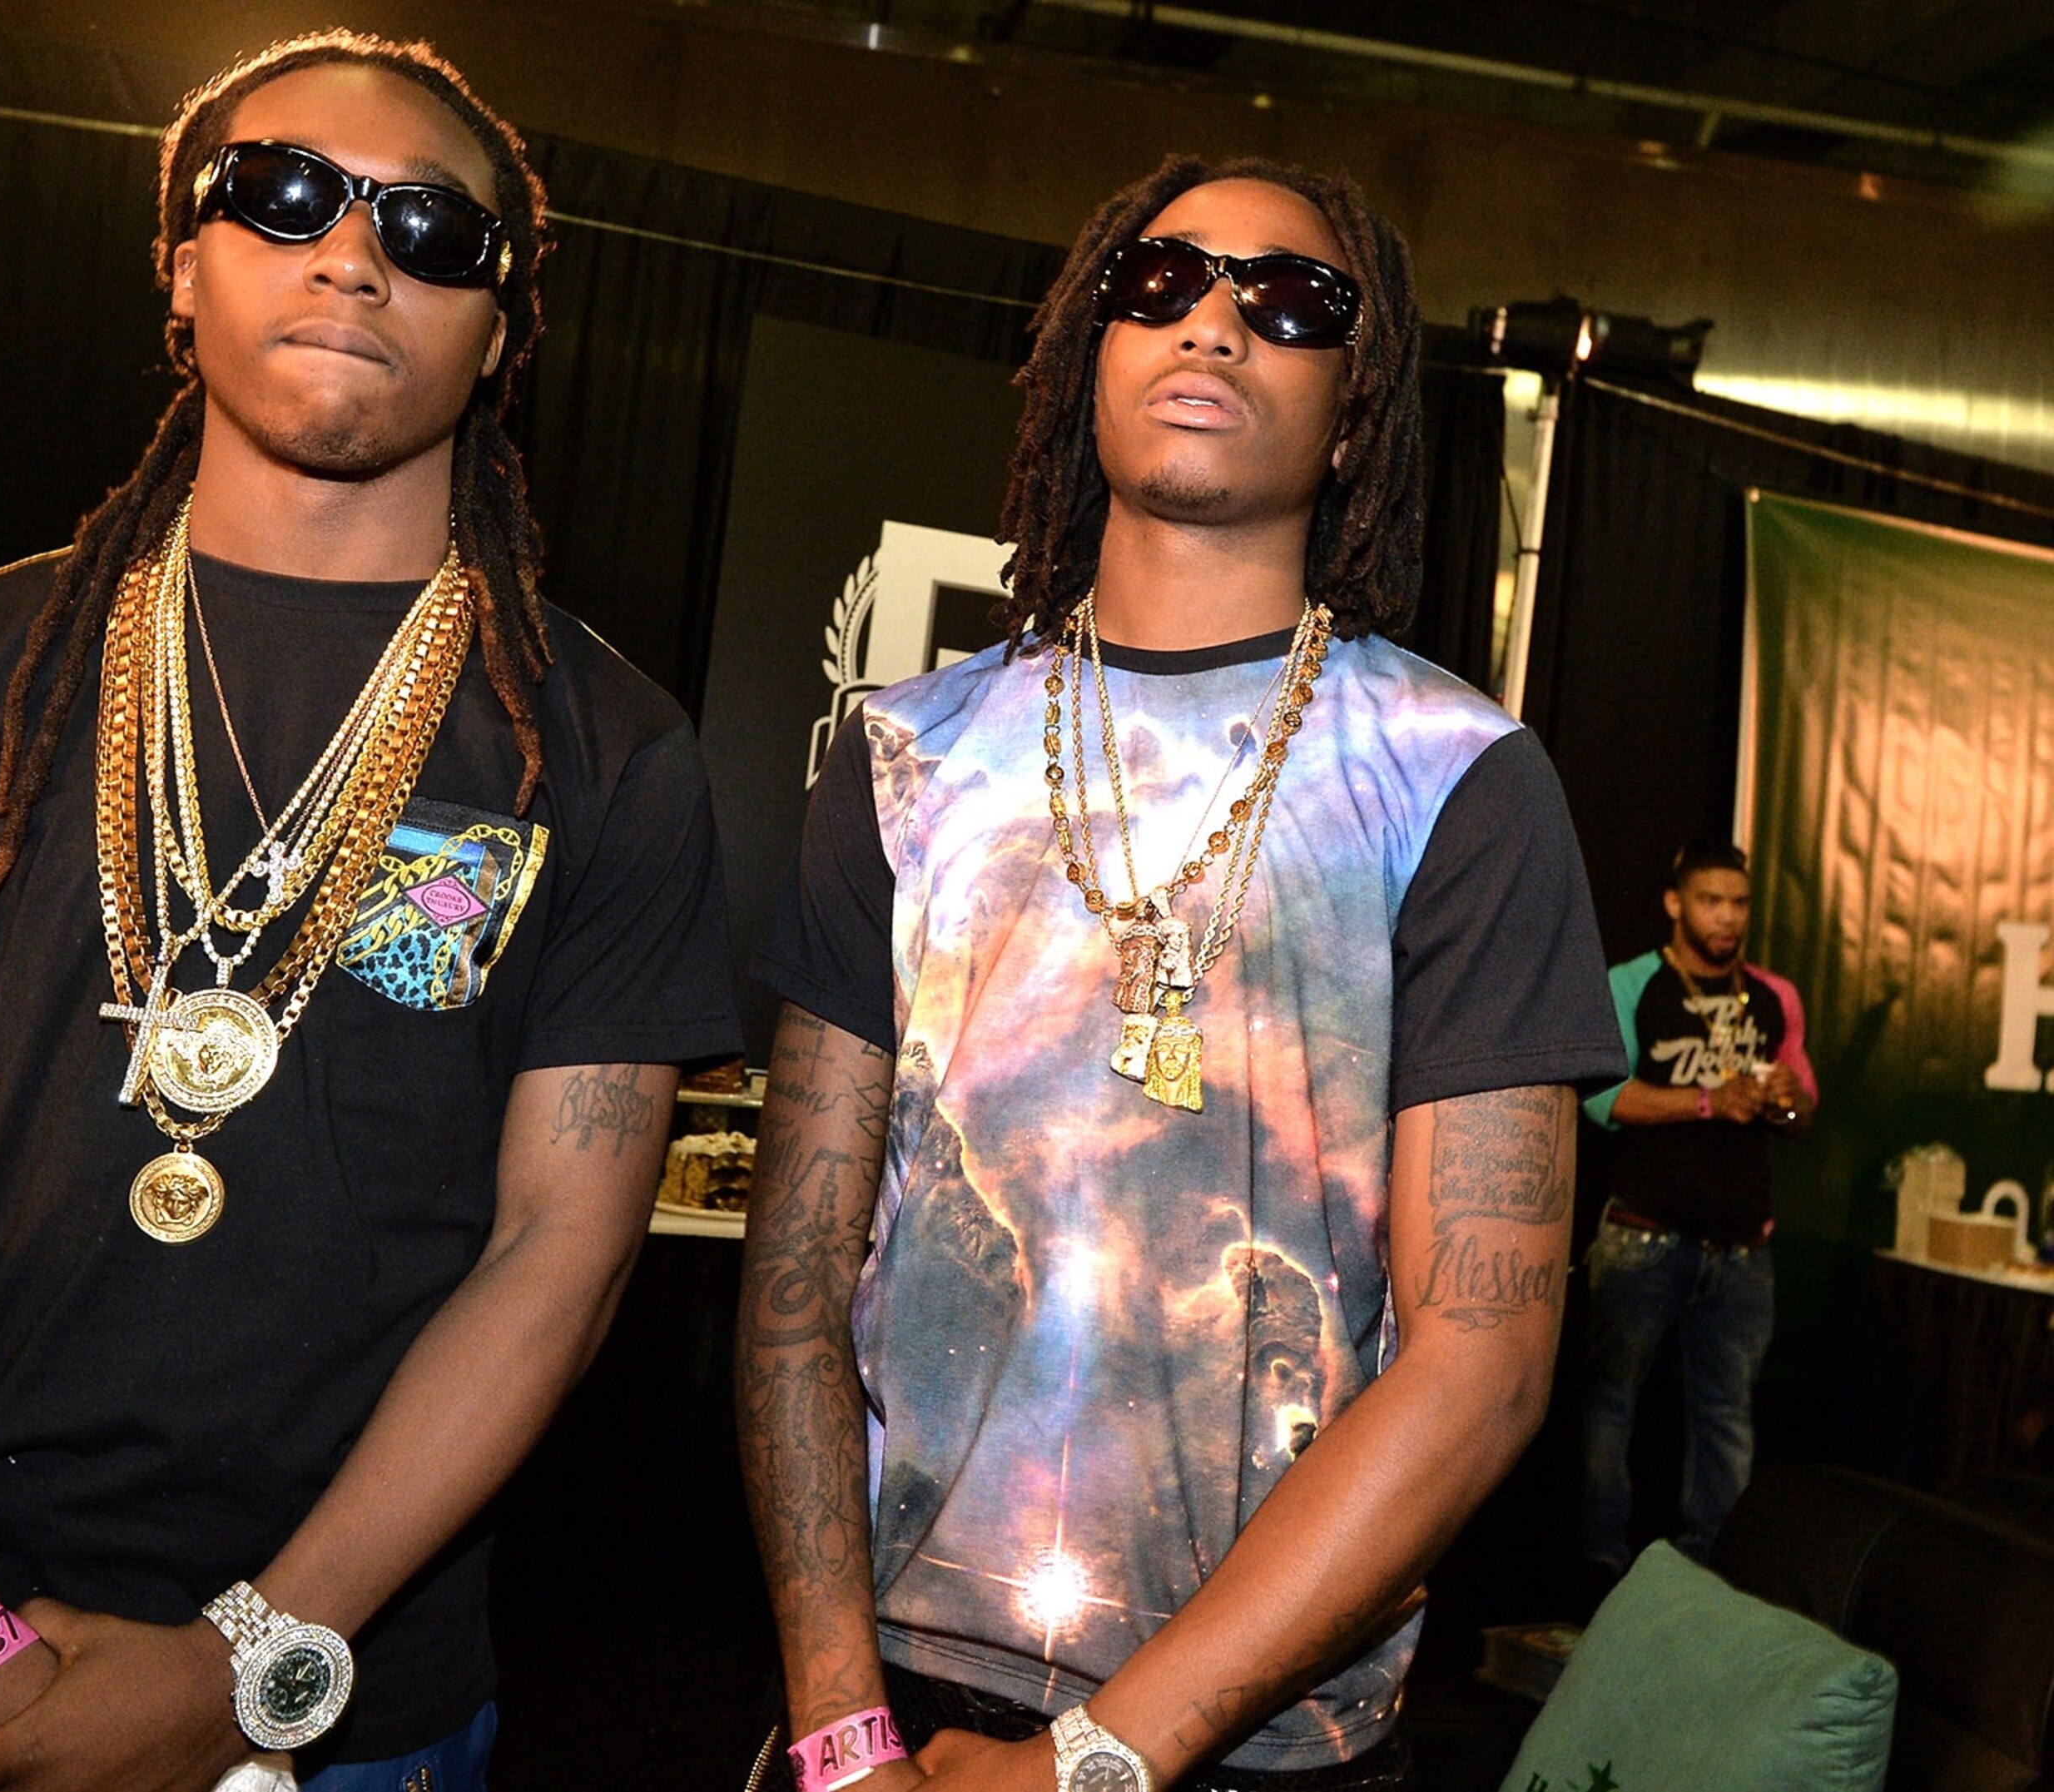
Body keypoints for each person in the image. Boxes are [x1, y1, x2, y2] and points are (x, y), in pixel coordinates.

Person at [0, 31, 737, 1792]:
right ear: (183, 269)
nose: (353, 252)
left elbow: (556, 1257)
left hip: (343, 1715)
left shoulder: (607, 751)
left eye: (431, 230)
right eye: (281, 194)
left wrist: (251, 1658)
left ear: (503, 330)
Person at [738, 156, 1624, 1792]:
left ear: (1355, 415)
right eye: (1159, 282)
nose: (1213, 318)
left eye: (1290, 300)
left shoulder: (1458, 778)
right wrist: (842, 1721)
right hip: (886, 1703)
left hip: (1258, 1727)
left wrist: (1097, 1755)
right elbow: (798, 1286)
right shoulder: (904, 759)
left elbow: (1482, 1362)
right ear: (1090, 356)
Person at [1577, 841, 1815, 1577]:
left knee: (1726, 1419)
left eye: (1739, 902)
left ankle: (1711, 1577)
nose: (1727, 917)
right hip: (1644, 1239)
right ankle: (1596, 1569)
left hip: (1743, 1250)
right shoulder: (1634, 983)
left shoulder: (1773, 996)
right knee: (1609, 1407)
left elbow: (1805, 1109)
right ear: (1676, 903)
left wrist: (1783, 1101)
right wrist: (1713, 1099)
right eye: (1711, 900)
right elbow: (1601, 1095)